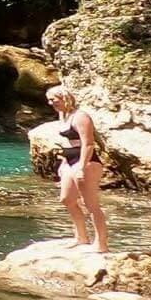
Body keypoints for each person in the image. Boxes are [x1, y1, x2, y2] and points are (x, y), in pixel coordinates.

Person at [48, 84, 109, 251]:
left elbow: (88, 144)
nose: (51, 103)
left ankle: (101, 244)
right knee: (66, 199)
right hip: (70, 161)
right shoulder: (64, 116)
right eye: (49, 100)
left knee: (91, 204)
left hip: (87, 162)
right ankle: (81, 237)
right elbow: (67, 143)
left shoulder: (81, 116)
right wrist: (64, 163)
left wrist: (81, 167)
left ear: (65, 97)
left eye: (54, 99)